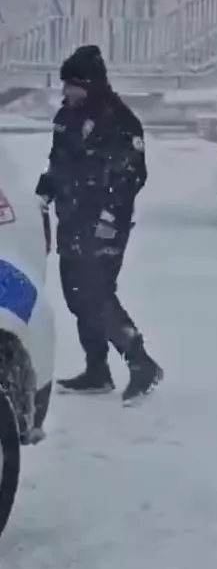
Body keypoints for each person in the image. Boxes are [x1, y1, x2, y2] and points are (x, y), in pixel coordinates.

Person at [36, 45, 163, 405]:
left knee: (95, 293)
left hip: (104, 225)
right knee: (76, 295)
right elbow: (57, 162)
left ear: (90, 84)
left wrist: (109, 218)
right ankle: (97, 370)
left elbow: (132, 176)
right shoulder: (67, 117)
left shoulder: (120, 122)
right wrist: (43, 193)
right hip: (71, 218)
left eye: (73, 85)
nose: (67, 92)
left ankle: (141, 362)